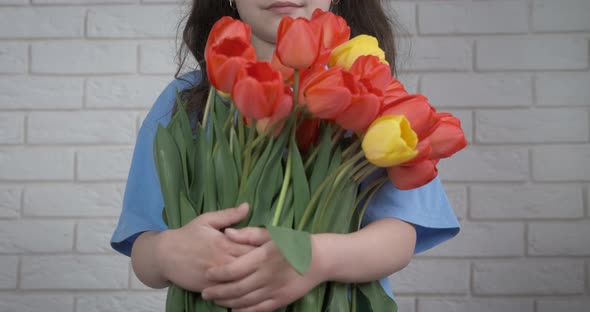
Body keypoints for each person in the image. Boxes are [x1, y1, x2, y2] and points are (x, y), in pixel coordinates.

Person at [110, 1, 460, 311]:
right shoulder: (186, 102)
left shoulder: (363, 93)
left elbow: (401, 235)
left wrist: (314, 258)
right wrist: (167, 253)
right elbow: (143, 245)